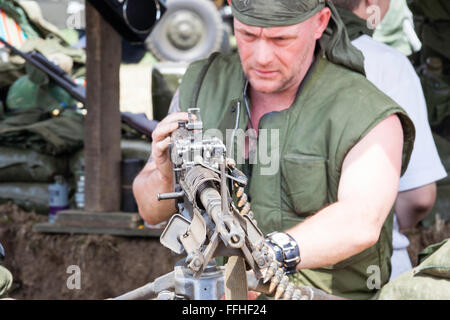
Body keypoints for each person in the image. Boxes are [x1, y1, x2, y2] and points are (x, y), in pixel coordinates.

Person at [133, 0, 415, 299]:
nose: (262, 57)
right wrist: (165, 175)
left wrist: (266, 257)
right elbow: (149, 209)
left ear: (320, 23)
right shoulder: (202, 85)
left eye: (281, 39)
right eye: (248, 36)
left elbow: (359, 221)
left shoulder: (366, 112)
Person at [332, 0, 447, 280]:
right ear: (372, 2)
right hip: (374, 266)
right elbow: (419, 196)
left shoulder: (261, 60)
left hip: (272, 268)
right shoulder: (387, 63)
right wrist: (389, 222)